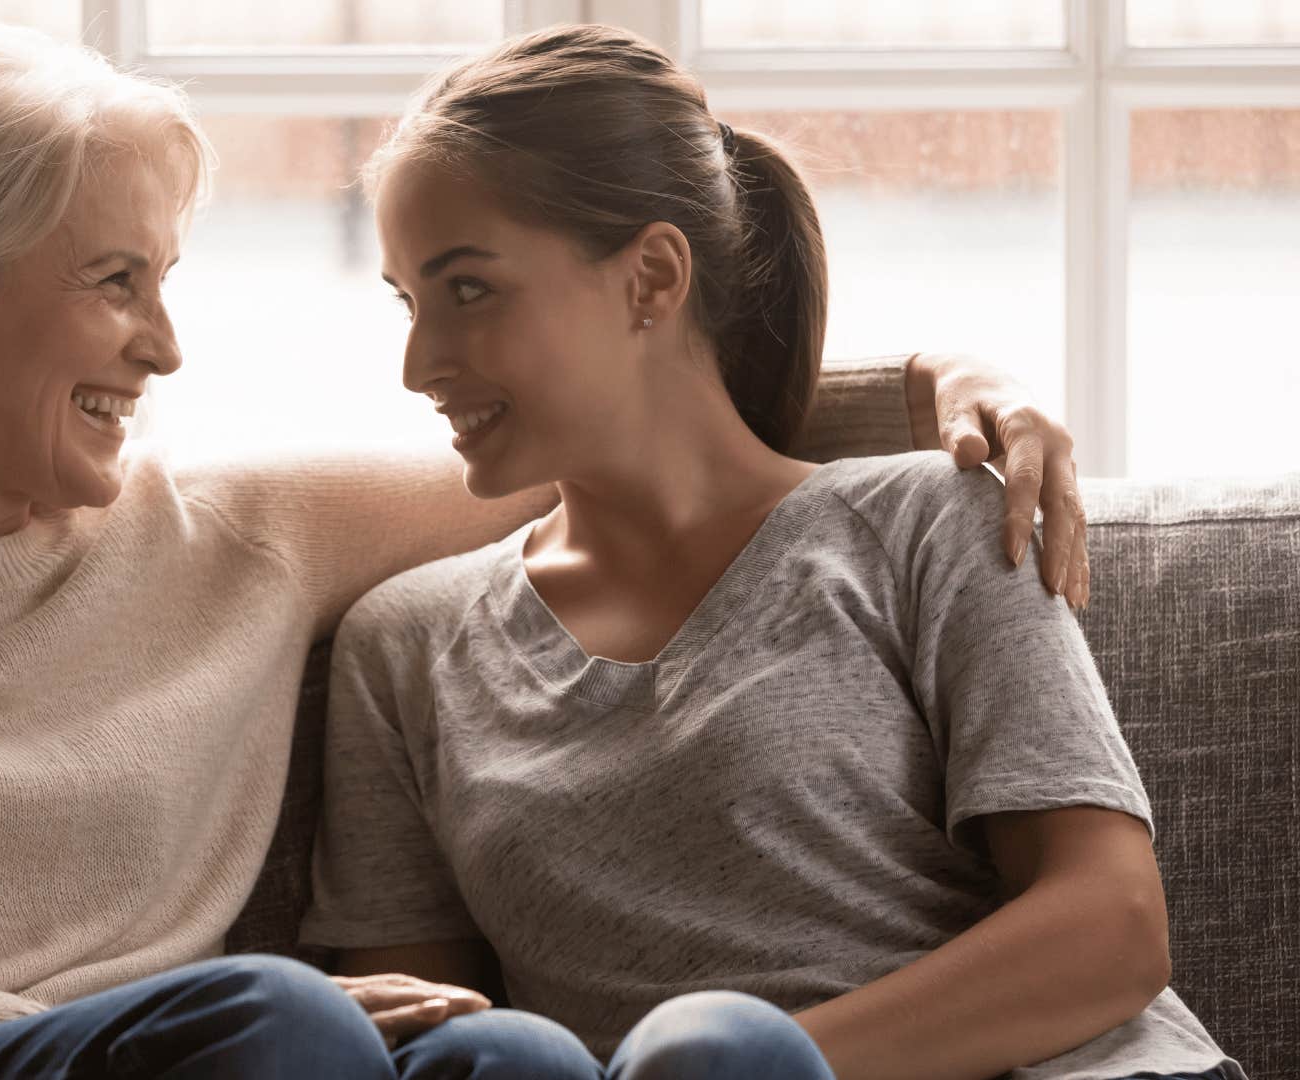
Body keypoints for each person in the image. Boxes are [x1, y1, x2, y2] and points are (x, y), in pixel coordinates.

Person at [0, 22, 1091, 1080]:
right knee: (287, 1032)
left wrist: (947, 388)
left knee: (490, 1056)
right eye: (115, 282)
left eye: (164, 283)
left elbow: (614, 415)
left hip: (207, 1068)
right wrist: (223, 1021)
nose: (164, 348)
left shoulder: (238, 531)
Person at [302, 24, 1243, 1080]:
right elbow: (427, 1038)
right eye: (407, 302)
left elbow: (1110, 928)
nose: (418, 362)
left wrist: (751, 1068)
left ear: (652, 278)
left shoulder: (930, 520)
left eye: (467, 290)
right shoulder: (404, 648)